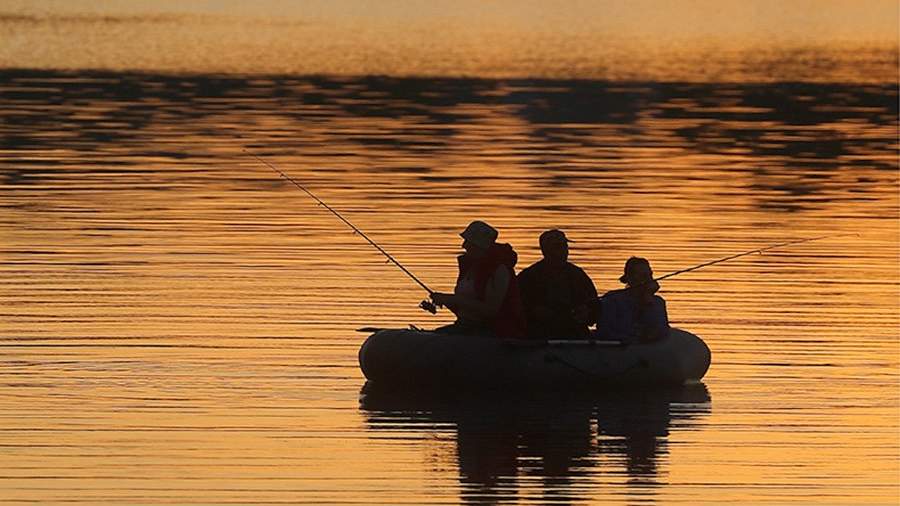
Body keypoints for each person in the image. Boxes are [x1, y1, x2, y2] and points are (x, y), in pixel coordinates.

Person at [430, 220, 527, 338]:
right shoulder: (470, 267)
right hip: (466, 326)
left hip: (494, 331)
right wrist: (445, 300)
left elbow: (490, 311)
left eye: (467, 241)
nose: (463, 245)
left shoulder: (499, 270)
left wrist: (454, 300)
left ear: (479, 244)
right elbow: (466, 306)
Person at [517, 229, 599, 339]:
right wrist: (534, 312)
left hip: (575, 333)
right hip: (540, 333)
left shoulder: (578, 275)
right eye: (558, 247)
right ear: (545, 250)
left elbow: (594, 304)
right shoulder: (529, 276)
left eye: (565, 246)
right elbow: (518, 306)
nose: (564, 250)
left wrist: (587, 313)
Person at [595, 257, 669, 344]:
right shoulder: (612, 300)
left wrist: (647, 300)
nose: (648, 280)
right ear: (629, 278)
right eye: (643, 276)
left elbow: (661, 332)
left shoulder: (657, 302)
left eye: (649, 275)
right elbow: (604, 332)